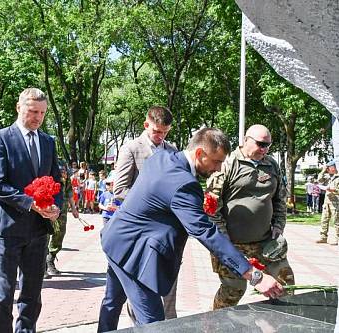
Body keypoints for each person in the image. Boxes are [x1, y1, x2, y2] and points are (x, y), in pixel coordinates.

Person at [98, 128, 284, 330]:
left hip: (116, 239)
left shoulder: (163, 157)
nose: (219, 168)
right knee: (153, 324)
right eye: (216, 161)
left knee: (112, 303)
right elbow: (205, 232)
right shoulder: (184, 184)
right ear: (199, 154)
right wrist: (253, 275)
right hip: (134, 253)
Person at [0, 87, 62, 332]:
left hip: (38, 231)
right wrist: (31, 204)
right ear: (18, 108)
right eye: (32, 111)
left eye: (42, 112)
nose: (37, 117)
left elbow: (55, 181)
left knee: (32, 292)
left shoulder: (48, 141)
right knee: (3, 293)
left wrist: (54, 207)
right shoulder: (0, 138)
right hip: (7, 228)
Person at [206, 124, 294, 310]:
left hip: (266, 243)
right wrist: (223, 240)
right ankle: (213, 326)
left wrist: (278, 225)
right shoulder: (227, 163)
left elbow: (280, 199)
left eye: (268, 145)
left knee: (285, 284)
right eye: (261, 144)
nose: (265, 149)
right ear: (246, 140)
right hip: (233, 244)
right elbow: (212, 207)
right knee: (234, 289)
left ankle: (278, 325)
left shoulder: (271, 164)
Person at [111, 105, 177, 323]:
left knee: (168, 287)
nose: (160, 137)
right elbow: (120, 189)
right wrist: (153, 204)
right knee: (131, 293)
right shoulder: (131, 148)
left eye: (165, 132)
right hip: (138, 231)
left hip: (166, 232)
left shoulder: (172, 150)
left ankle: (169, 325)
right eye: (156, 131)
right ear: (146, 125)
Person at [46, 164, 79, 277]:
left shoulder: (66, 180)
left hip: (63, 210)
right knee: (45, 234)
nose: (64, 173)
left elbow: (70, 194)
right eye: (61, 171)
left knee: (60, 233)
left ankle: (51, 258)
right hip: (48, 209)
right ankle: (43, 266)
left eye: (65, 171)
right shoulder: (50, 178)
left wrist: (74, 209)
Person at [315, 160, 339, 245]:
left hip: (336, 203)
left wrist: (333, 190)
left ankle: (337, 238)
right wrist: (322, 171)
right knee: (324, 220)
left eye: (328, 168)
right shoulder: (329, 177)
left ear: (333, 168)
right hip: (327, 202)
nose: (327, 170)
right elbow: (319, 180)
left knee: (336, 221)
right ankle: (323, 237)